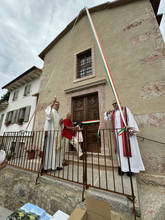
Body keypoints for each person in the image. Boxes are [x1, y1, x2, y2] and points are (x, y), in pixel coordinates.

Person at [104, 100, 145, 176]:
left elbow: (131, 120)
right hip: (118, 135)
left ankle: (130, 169)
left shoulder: (126, 110)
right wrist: (107, 113)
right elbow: (106, 118)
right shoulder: (113, 112)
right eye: (113, 104)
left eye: (115, 103)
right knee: (120, 152)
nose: (114, 105)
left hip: (126, 134)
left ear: (119, 103)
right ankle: (122, 168)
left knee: (129, 150)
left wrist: (132, 129)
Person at [42, 97, 63, 172]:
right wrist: (51, 104)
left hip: (57, 135)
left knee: (57, 151)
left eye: (58, 105)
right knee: (49, 150)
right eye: (56, 104)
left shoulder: (58, 114)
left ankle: (57, 165)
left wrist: (61, 122)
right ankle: (47, 167)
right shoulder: (51, 111)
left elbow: (59, 124)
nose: (58, 106)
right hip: (51, 135)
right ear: (53, 105)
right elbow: (48, 116)